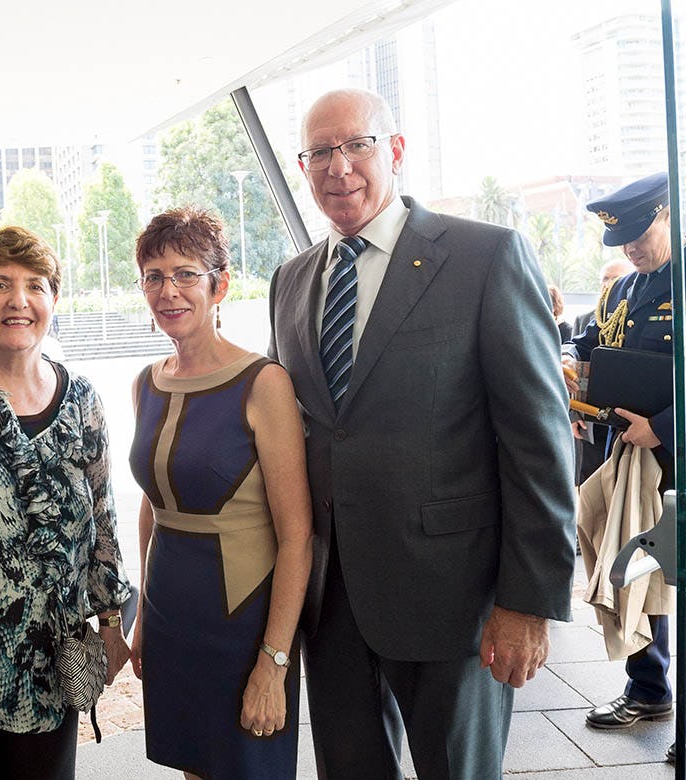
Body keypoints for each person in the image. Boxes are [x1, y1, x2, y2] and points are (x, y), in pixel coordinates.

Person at [268, 88, 575, 780]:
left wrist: (527, 600)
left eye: (356, 145)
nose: (338, 166)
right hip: (331, 599)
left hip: (453, 600)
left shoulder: (484, 258)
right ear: (303, 166)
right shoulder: (291, 282)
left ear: (396, 151)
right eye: (320, 152)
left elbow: (538, 440)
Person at [0, 225, 131, 780]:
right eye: (0, 285)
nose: (19, 300)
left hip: (51, 659)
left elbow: (105, 517)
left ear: (54, 301)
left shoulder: (82, 397)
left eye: (36, 285)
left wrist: (110, 620)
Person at [129, 206, 312, 779]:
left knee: (245, 767)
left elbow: (297, 537)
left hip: (241, 620)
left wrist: (273, 661)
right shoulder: (147, 382)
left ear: (220, 285)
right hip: (170, 613)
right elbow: (152, 506)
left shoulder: (263, 382)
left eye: (185, 273)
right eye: (154, 276)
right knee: (194, 766)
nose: (169, 291)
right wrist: (142, 612)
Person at [561, 173, 675, 757]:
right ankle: (648, 687)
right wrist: (568, 361)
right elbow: (591, 341)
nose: (629, 248)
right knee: (635, 568)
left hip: (675, 458)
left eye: (638, 234)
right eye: (620, 239)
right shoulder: (623, 289)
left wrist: (662, 427)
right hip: (626, 454)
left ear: (667, 214)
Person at [570, 258, 635, 487]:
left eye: (615, 278)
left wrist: (661, 426)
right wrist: (575, 413)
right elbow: (579, 349)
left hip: (635, 424)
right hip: (594, 418)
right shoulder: (596, 314)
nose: (609, 284)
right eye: (605, 279)